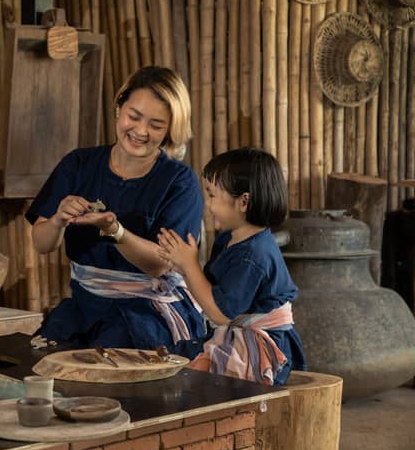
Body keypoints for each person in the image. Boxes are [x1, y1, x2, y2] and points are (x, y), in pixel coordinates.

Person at [25, 66, 206, 356]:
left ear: (172, 129)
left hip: (146, 311)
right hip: (84, 305)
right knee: (43, 361)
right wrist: (58, 219)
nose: (140, 131)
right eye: (133, 116)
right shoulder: (79, 164)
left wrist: (116, 231)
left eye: (156, 125)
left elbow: (161, 264)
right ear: (119, 106)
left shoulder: (179, 182)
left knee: (109, 372)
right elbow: (42, 243)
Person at [157, 147, 306, 385]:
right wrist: (181, 265)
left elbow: (220, 313)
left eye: (212, 195)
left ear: (243, 202)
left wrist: (190, 263)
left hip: (262, 345)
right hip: (236, 333)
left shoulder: (252, 255)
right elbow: (210, 288)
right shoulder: (229, 239)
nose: (208, 204)